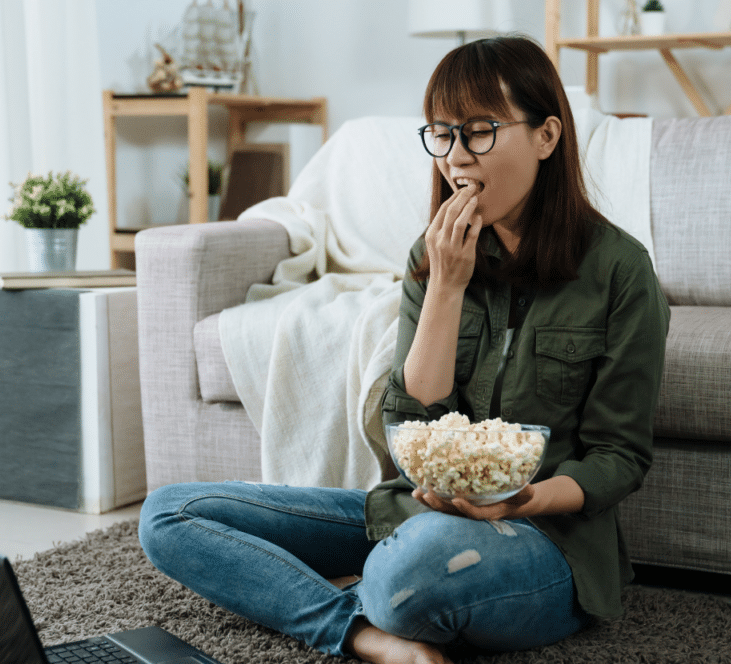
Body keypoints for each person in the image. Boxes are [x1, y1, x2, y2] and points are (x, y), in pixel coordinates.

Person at [138, 35, 670, 664]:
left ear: (547, 137)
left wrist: (521, 497)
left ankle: (365, 593)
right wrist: (446, 285)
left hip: (540, 537)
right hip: (414, 513)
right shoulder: (434, 255)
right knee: (169, 515)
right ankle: (365, 634)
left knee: (404, 580)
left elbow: (618, 457)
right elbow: (410, 427)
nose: (454, 158)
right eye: (441, 135)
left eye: (478, 132)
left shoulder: (621, 271)